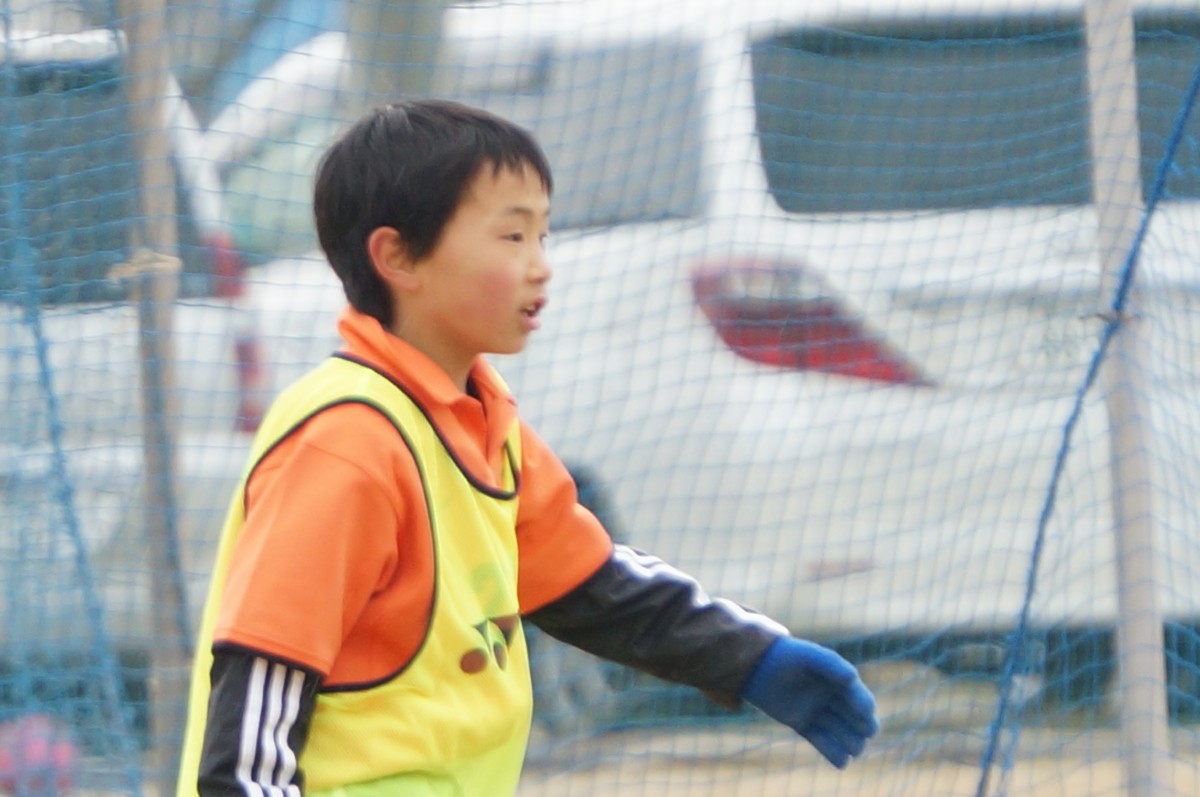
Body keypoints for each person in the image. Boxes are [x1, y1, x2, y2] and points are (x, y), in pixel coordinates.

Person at [176, 99, 879, 797]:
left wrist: (752, 658)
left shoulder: (485, 425)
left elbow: (595, 587)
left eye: (543, 235)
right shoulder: (345, 439)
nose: (541, 265)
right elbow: (257, 697)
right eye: (512, 236)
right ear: (396, 256)